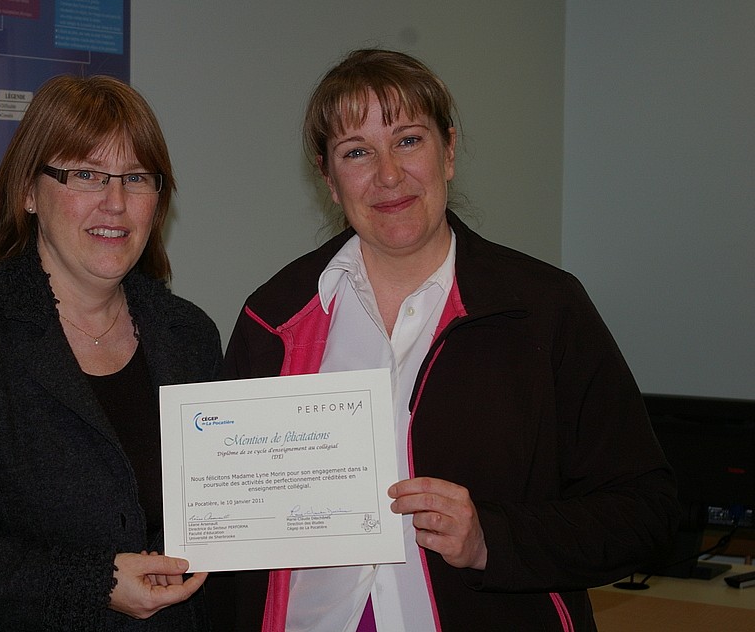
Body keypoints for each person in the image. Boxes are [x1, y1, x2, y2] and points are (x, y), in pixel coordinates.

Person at [221, 49, 679, 631]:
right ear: (330, 180)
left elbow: (648, 513)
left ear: (450, 151)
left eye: (408, 140)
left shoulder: (541, 310)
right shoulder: (274, 319)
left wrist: (494, 539)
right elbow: (234, 531)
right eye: (357, 152)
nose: (388, 174)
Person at [0, 74, 223, 631]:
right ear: (29, 192)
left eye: (136, 178)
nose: (116, 202)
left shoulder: (189, 335)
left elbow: (223, 509)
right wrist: (90, 582)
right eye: (86, 174)